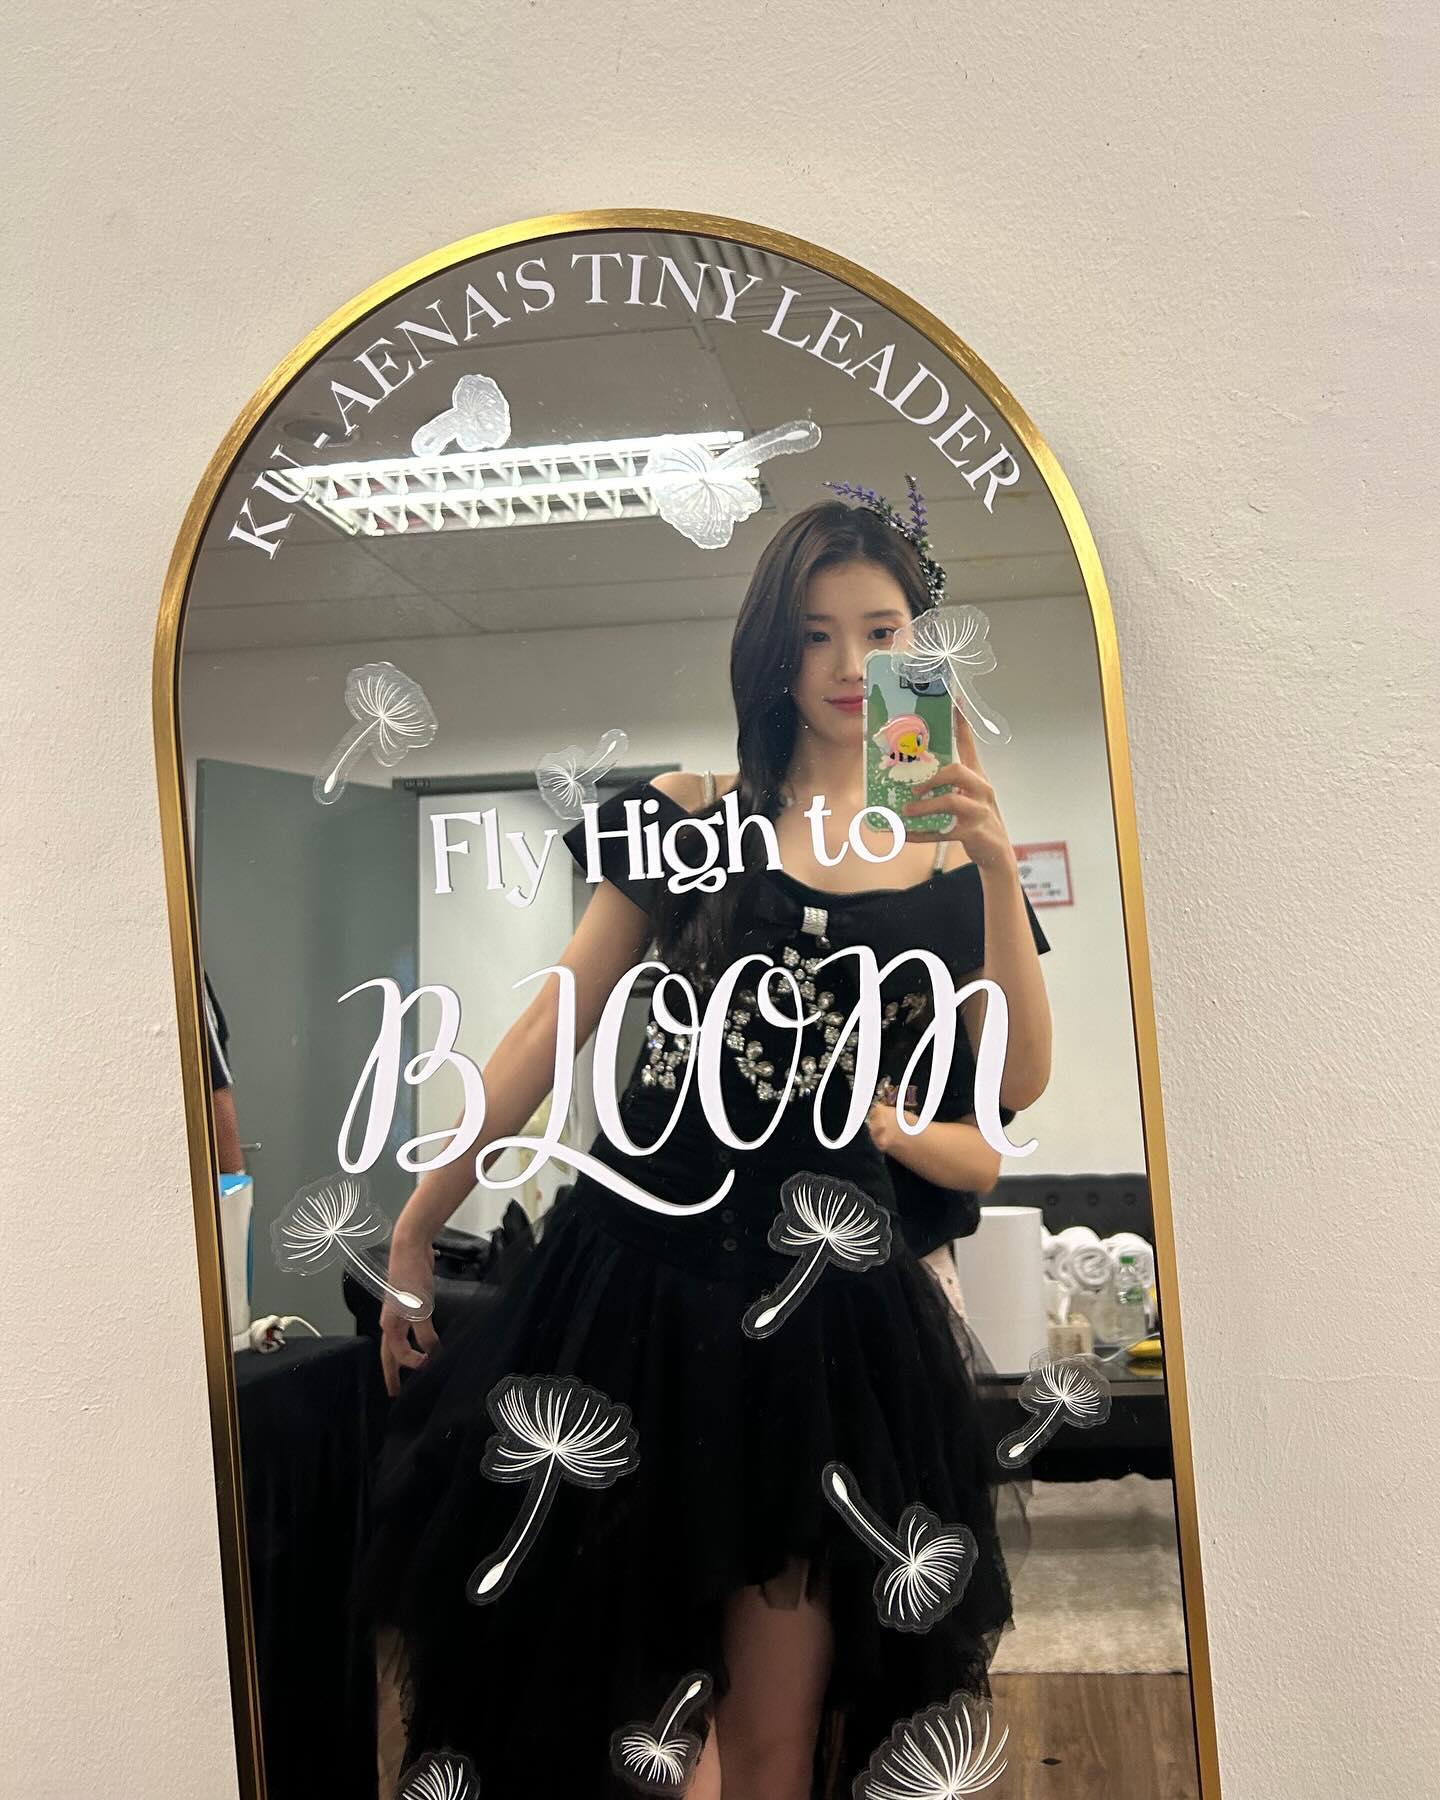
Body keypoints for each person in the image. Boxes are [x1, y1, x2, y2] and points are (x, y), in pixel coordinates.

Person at [362, 493, 1052, 1798]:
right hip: (636, 1298)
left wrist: (997, 869)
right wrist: (418, 1215)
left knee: (779, 1741)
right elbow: (551, 1024)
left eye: (880, 632)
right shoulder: (690, 814)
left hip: (822, 1333)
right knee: (626, 1730)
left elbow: (1012, 1082)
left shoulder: (943, 861)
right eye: (815, 634)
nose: (848, 665)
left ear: (919, 647)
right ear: (770, 656)